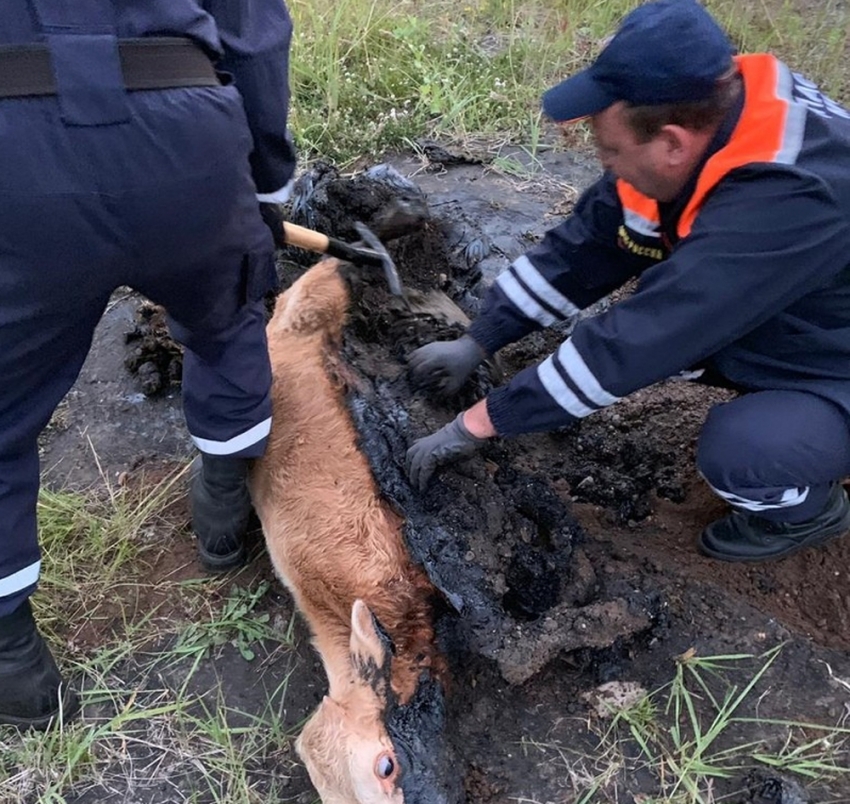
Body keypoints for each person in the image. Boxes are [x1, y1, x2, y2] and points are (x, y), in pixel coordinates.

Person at [406, 0, 850, 566]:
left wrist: (475, 425)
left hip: (837, 358)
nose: (602, 160)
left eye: (609, 149)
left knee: (745, 452)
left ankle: (805, 510)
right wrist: (481, 337)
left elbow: (644, 338)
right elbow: (589, 243)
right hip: (813, 306)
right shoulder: (711, 114)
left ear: (671, 143)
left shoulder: (788, 199)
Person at [0, 0, 296, 729]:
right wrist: (263, 188)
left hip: (16, 153)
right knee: (227, 323)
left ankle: (12, 662)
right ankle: (224, 509)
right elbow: (254, 34)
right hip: (185, 133)